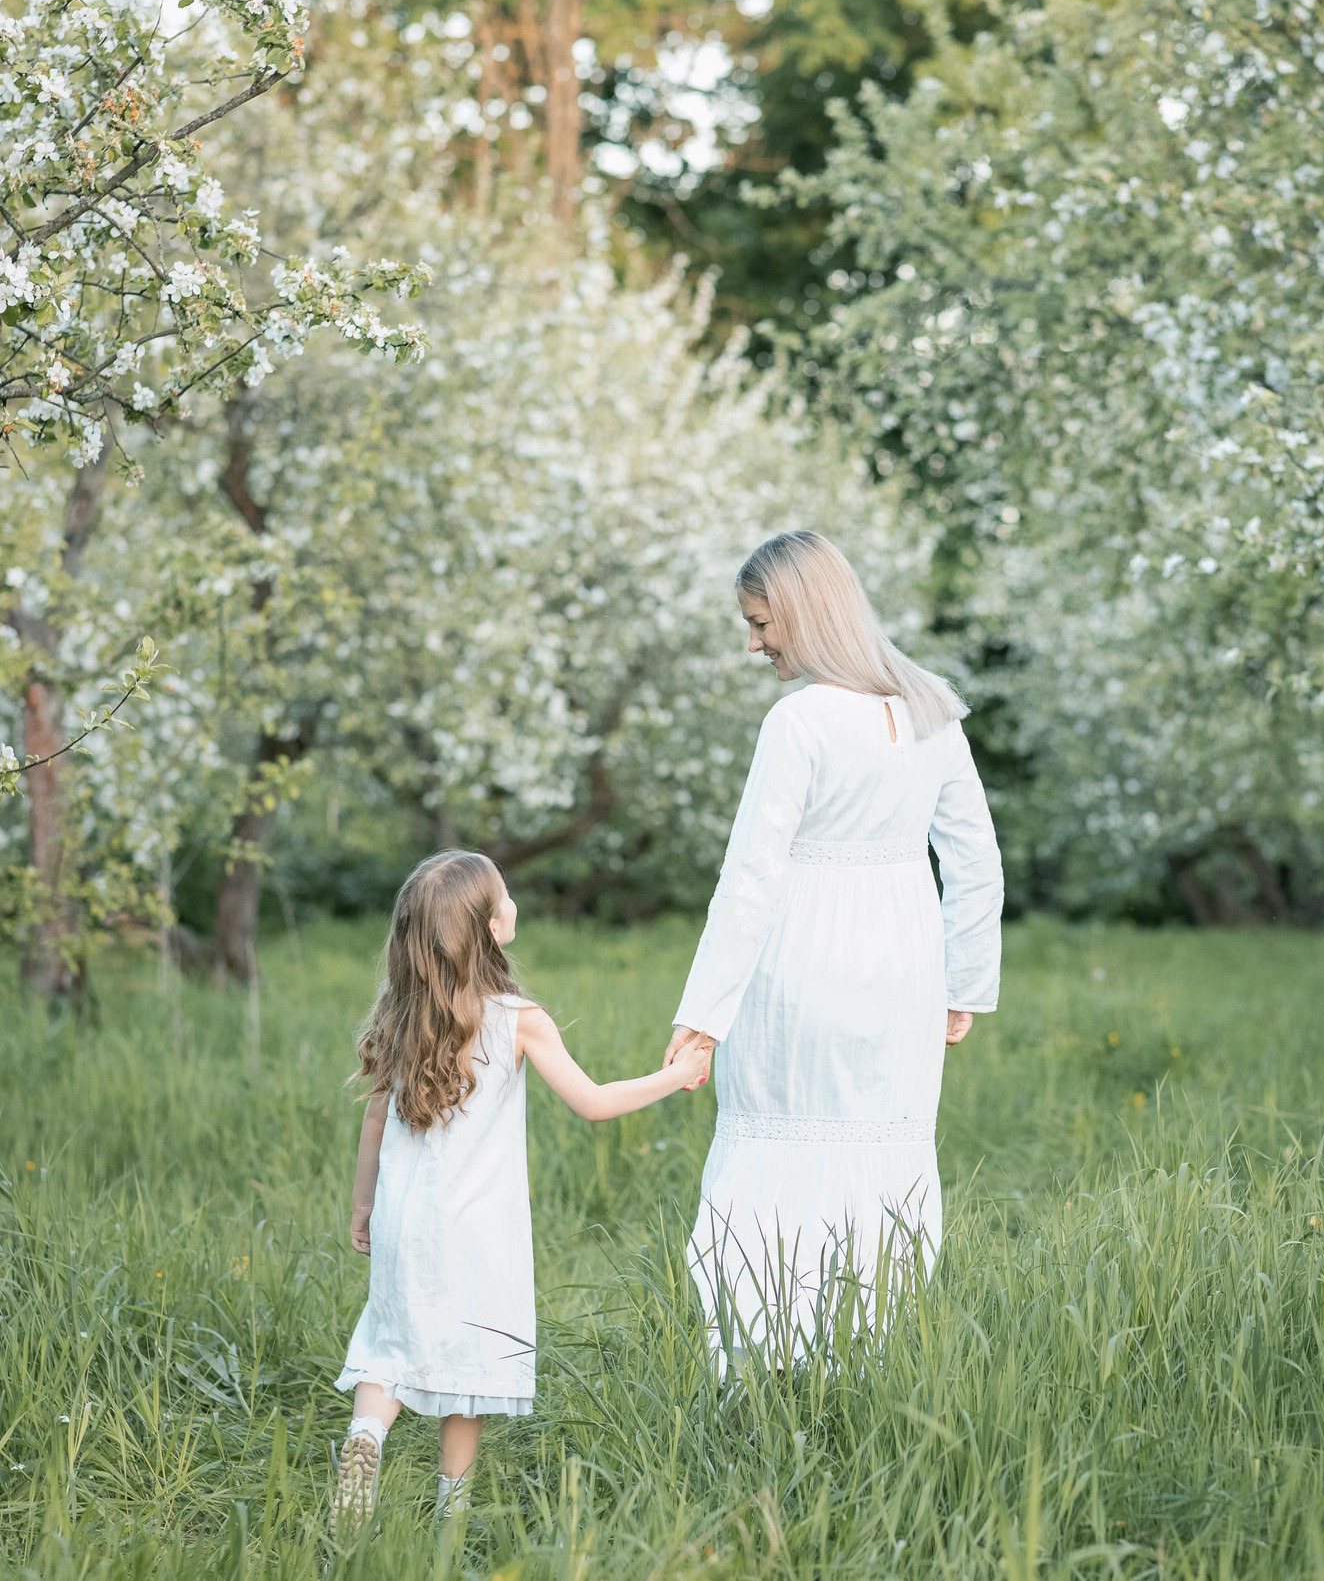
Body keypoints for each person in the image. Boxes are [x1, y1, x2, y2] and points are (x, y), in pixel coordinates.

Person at [664, 530, 1004, 1363]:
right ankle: (867, 1355)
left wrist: (702, 1014)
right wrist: (963, 983)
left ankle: (757, 1362)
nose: (754, 644)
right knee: (882, 1151)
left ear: (805, 612)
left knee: (773, 1146)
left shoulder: (800, 722)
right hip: (904, 969)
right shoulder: (934, 710)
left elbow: (749, 877)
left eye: (760, 621)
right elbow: (977, 863)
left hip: (801, 959)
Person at [334, 849, 709, 1528]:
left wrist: (364, 1204)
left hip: (403, 1218)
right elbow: (593, 1100)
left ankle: (366, 1439)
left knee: (390, 1340)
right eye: (503, 898)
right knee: (469, 1364)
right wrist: (677, 1074)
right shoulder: (515, 1017)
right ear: (490, 928)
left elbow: (375, 1115)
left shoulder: (402, 1012)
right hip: (479, 1231)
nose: (512, 905)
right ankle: (451, 1515)